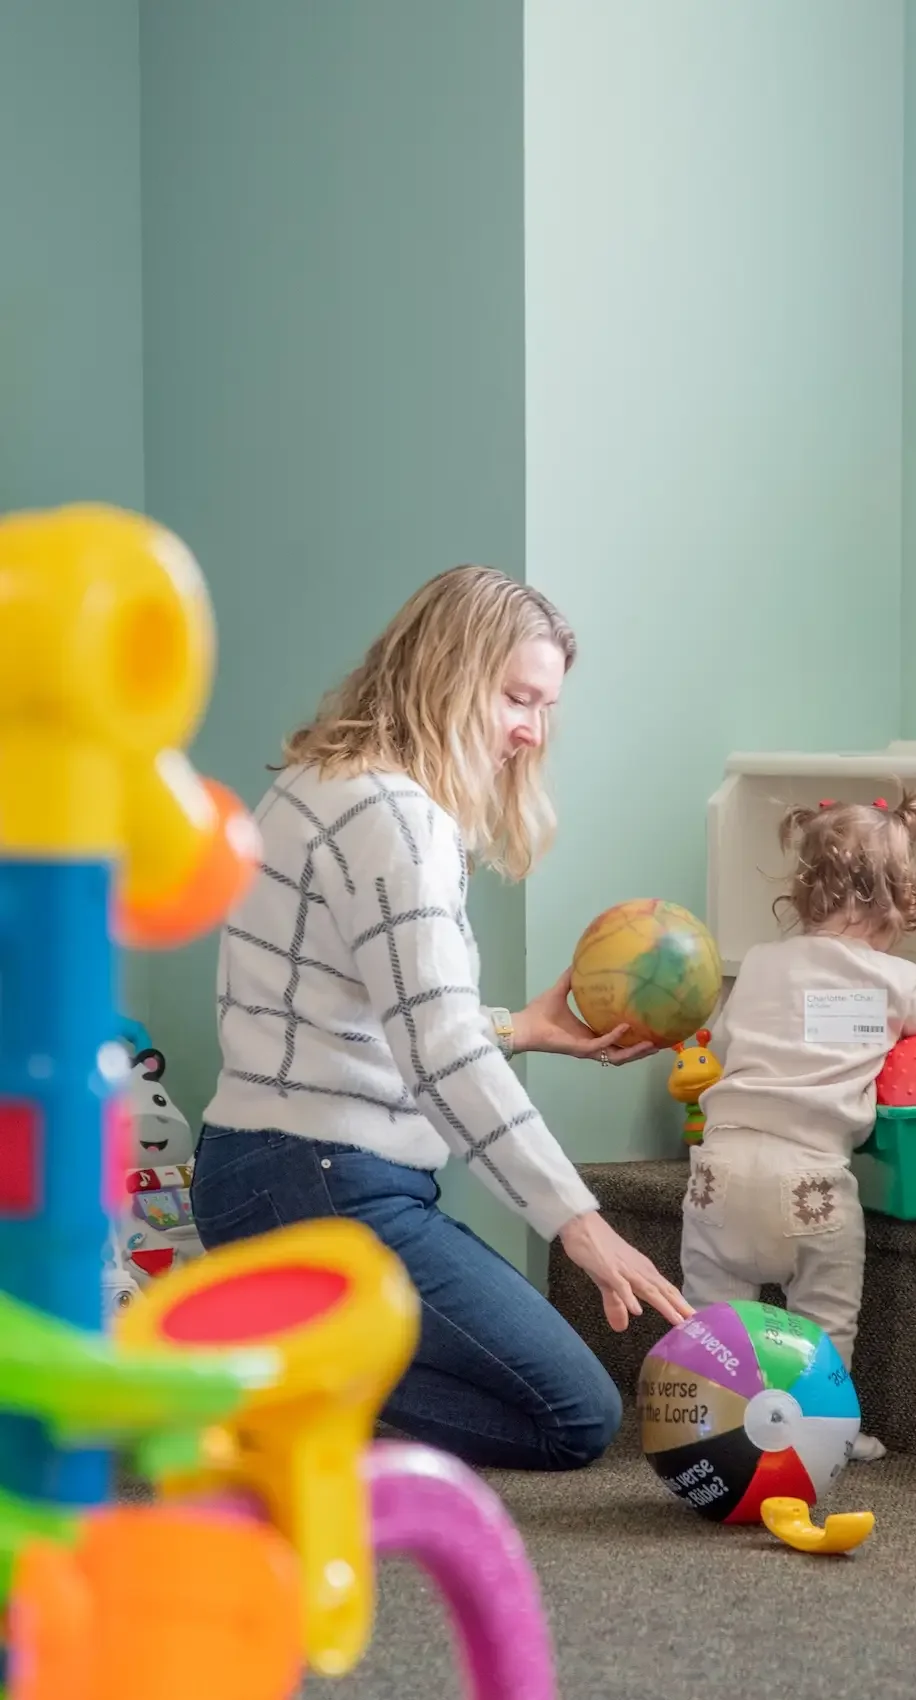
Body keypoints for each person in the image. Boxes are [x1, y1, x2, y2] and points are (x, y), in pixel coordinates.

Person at [193, 565, 690, 1472]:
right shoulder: (396, 816)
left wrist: (519, 1030)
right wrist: (581, 1223)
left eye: (545, 708)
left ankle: (287, 1362)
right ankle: (274, 1373)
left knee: (553, 1396)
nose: (531, 731)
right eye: (517, 698)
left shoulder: (322, 779)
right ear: (450, 671)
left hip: (262, 1171)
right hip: (326, 1185)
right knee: (573, 1416)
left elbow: (350, 1014)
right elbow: (439, 1050)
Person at [682, 792, 916, 1458]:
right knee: (824, 1323)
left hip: (718, 1175)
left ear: (803, 893)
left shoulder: (758, 964)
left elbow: (726, 1048)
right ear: (902, 902)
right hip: (810, 1181)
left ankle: (707, 1433)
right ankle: (823, 1437)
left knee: (714, 1324)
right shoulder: (892, 984)